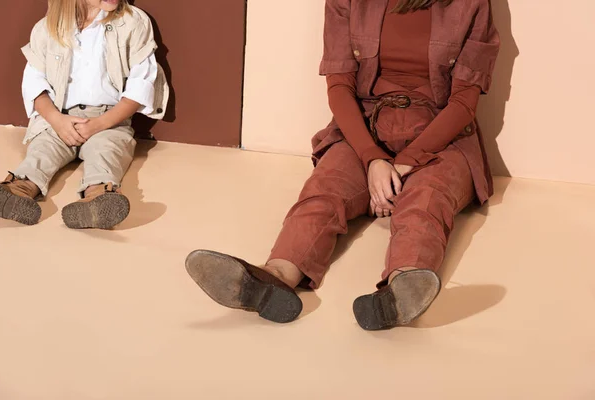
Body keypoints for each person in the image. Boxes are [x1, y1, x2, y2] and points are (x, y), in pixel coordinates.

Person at [186, 0, 500, 330]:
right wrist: (373, 158)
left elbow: (464, 102)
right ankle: (274, 276)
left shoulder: (470, 3)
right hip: (365, 124)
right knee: (325, 190)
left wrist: (406, 163)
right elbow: (339, 85)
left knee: (425, 200)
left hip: (441, 134)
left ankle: (403, 286)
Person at [0, 0, 168, 229]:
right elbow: (34, 83)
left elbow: (141, 84)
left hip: (109, 120)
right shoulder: (47, 28)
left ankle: (97, 197)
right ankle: (17, 189)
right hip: (60, 118)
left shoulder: (133, 22)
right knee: (42, 150)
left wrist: (99, 124)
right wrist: (56, 120)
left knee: (106, 153)